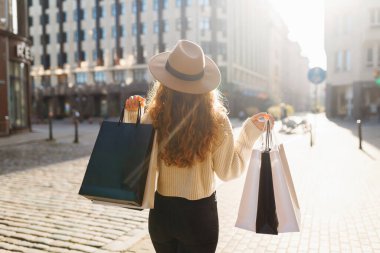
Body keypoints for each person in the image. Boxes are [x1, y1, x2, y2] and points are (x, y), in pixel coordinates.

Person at [128, 40, 274, 253]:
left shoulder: (154, 116)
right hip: (199, 217)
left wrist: (134, 116)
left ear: (164, 83)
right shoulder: (217, 120)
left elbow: (139, 162)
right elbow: (228, 172)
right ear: (203, 84)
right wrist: (248, 134)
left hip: (161, 214)